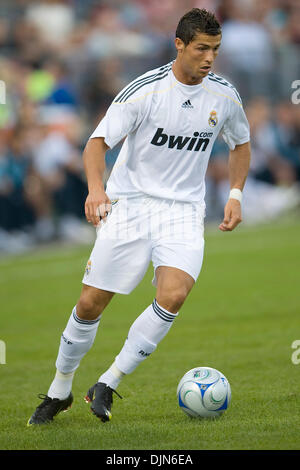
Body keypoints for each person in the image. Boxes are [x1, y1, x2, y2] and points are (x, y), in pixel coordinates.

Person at [28, 8, 251, 425]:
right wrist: (97, 190)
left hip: (184, 211)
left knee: (174, 295)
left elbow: (240, 143)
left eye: (215, 50)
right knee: (91, 303)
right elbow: (96, 144)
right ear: (179, 44)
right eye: (201, 48)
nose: (209, 58)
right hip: (131, 205)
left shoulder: (224, 95)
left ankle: (108, 382)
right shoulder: (143, 91)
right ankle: (60, 389)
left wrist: (236, 193)